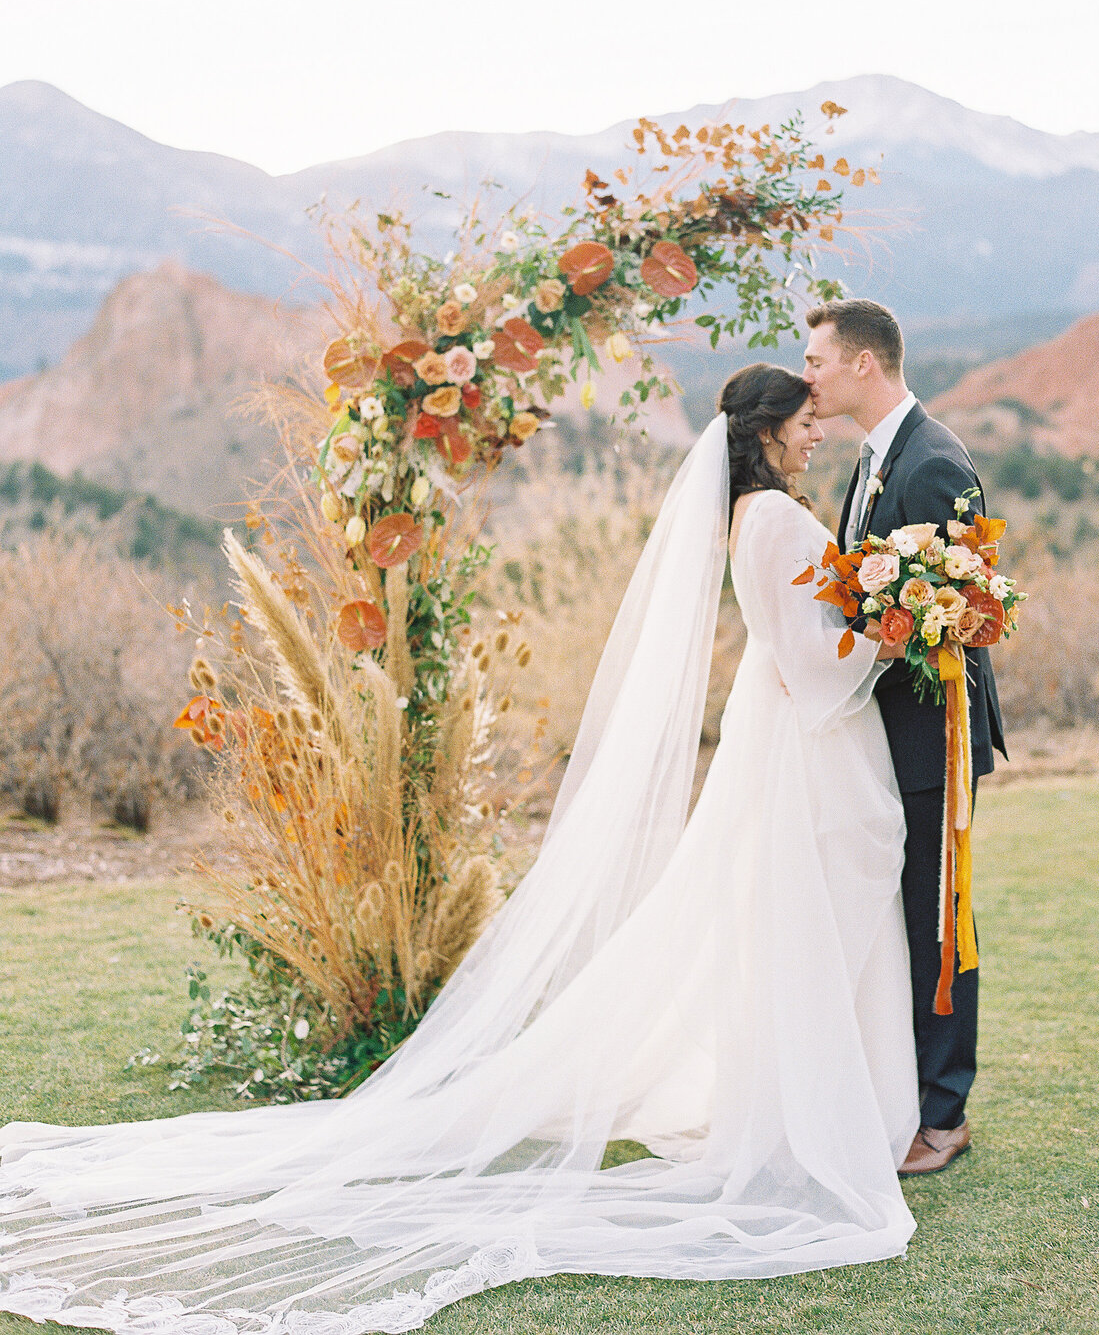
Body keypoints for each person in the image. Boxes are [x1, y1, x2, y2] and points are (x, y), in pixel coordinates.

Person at [1, 366, 921, 1335]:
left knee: (791, 925)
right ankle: (824, 1117)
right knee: (810, 920)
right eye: (808, 422)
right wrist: (888, 632)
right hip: (804, 746)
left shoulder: (752, 516)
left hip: (781, 744)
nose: (818, 434)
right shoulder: (773, 522)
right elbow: (816, 665)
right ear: (771, 430)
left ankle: (820, 1103)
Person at [803, 299, 1007, 1176]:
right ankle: (904, 1089)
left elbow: (969, 606)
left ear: (861, 364)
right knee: (904, 915)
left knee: (938, 919)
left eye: (816, 360)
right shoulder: (876, 458)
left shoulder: (932, 462)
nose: (808, 374)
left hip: (935, 736)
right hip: (888, 733)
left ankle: (945, 1113)